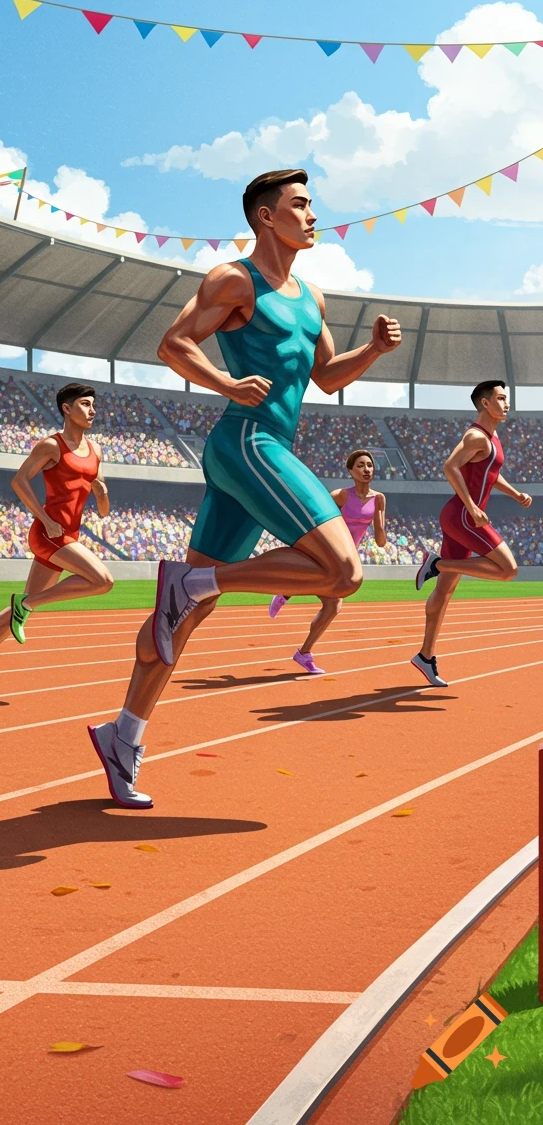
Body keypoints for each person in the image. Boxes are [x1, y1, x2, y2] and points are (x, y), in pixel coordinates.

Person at [87, 169, 401, 808]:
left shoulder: (312, 298)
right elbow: (173, 344)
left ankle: (123, 736)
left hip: (268, 448)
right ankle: (199, 581)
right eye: (301, 205)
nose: (313, 215)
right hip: (245, 442)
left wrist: (370, 352)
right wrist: (227, 387)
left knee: (182, 615)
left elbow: (328, 378)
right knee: (343, 571)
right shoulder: (235, 280)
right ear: (266, 216)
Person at [0, 382, 112, 691]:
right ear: (66, 409)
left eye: (93, 405)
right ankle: (26, 603)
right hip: (49, 534)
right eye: (84, 404)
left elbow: (104, 510)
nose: (92, 410)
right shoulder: (51, 446)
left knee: (19, 614)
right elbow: (19, 481)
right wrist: (44, 519)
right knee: (103, 581)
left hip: (69, 535)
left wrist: (103, 493)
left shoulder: (97, 451)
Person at [411, 380, 529, 688]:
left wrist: (515, 493)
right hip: (463, 517)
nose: (507, 403)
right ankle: (437, 564)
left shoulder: (491, 437)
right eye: (501, 398)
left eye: (507, 398)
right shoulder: (476, 436)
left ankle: (425, 656)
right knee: (508, 569)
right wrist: (473, 508)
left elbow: (490, 473)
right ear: (485, 404)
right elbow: (450, 467)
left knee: (444, 592)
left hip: (462, 517)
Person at [267, 448, 387, 674]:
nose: (366, 469)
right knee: (334, 603)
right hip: (329, 551)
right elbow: (314, 509)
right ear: (351, 471)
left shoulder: (379, 499)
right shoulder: (341, 495)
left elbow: (380, 541)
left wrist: (379, 516)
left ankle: (300, 642)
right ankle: (288, 600)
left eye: (369, 465)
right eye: (360, 465)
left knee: (332, 606)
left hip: (346, 558)